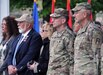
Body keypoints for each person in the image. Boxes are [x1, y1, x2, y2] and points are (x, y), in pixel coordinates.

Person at [72, 2, 103, 75]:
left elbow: (99, 55)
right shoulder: (80, 30)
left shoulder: (94, 30)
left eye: (77, 12)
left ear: (84, 14)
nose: (74, 15)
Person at [47, 8, 75, 75]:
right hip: (52, 72)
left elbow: (72, 58)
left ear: (63, 20)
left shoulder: (69, 35)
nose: (52, 21)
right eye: (52, 18)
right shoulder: (54, 34)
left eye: (55, 18)